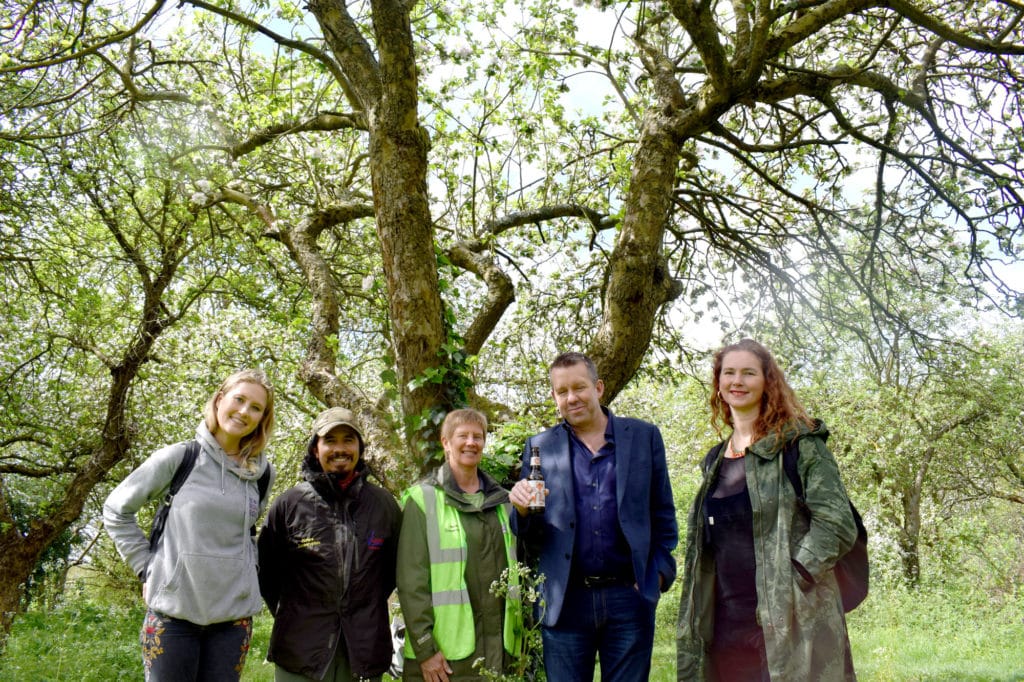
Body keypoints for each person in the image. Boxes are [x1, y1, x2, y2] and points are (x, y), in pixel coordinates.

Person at [676, 338, 859, 681]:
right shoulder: (714, 462)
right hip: (726, 625)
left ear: (767, 381)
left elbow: (836, 522)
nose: (737, 381)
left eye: (748, 373)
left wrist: (796, 575)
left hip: (791, 620)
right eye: (728, 373)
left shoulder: (799, 444)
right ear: (718, 384)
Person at [508, 351, 678, 682]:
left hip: (629, 599)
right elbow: (529, 535)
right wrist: (523, 510)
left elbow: (663, 517)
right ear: (554, 397)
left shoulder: (643, 437)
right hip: (565, 601)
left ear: (598, 388)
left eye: (579, 387)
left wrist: (655, 577)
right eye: (562, 391)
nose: (572, 398)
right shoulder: (541, 446)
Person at [103, 368, 276, 682]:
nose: (244, 412)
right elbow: (116, 510)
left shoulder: (262, 474)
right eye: (239, 400)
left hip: (233, 622)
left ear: (263, 418)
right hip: (173, 615)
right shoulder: (179, 458)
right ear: (220, 399)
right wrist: (147, 567)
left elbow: (246, 535)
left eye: (255, 408)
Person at [257, 406, 402, 682]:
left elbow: (392, 574)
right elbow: (266, 573)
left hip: (364, 652)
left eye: (348, 439)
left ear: (360, 447)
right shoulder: (289, 504)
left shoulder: (384, 506)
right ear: (315, 449)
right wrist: (297, 616)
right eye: (330, 440)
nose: (340, 449)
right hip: (299, 652)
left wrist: (362, 609)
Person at [396, 408, 523, 681]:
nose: (471, 442)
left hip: (501, 652)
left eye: (478, 436)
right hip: (444, 660)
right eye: (462, 435)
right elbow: (411, 583)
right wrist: (425, 650)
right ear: (445, 442)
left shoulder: (504, 503)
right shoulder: (422, 501)